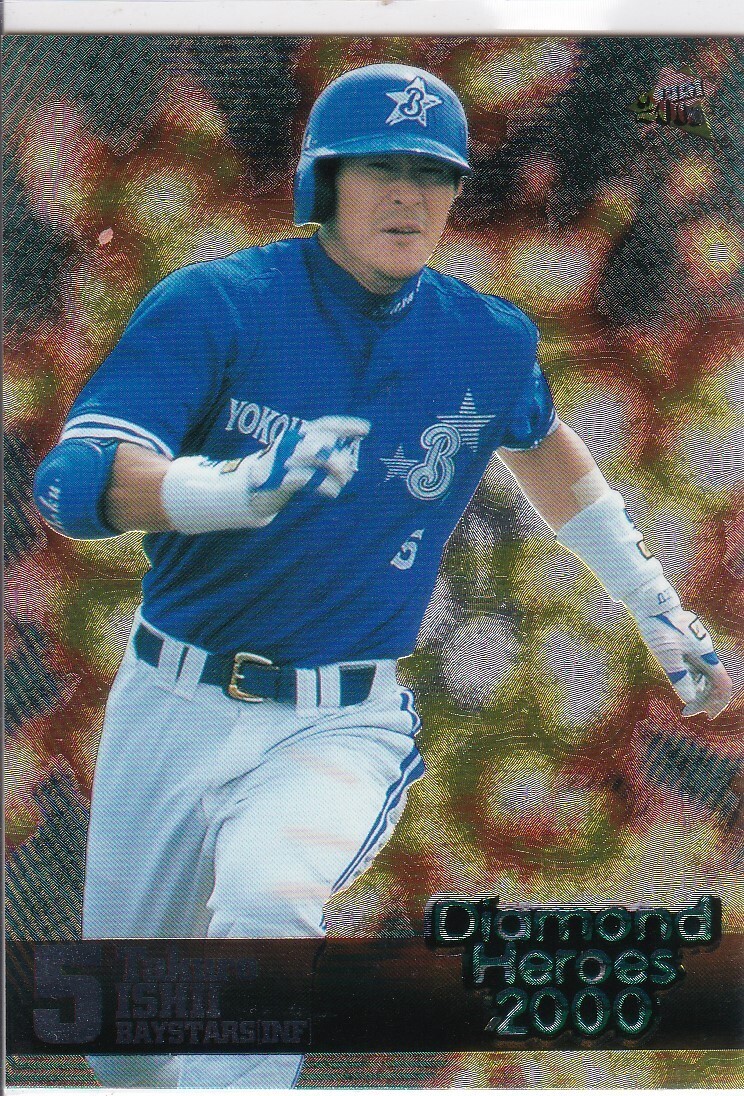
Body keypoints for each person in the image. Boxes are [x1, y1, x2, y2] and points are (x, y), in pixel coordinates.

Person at [33, 63, 732, 1089]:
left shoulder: (487, 338)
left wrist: (652, 602)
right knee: (121, 1045)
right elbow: (71, 481)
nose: (409, 195)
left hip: (338, 721)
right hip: (169, 701)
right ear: (324, 182)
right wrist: (225, 490)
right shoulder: (218, 304)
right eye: (381, 169)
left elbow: (549, 452)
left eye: (433, 173)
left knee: (269, 900)